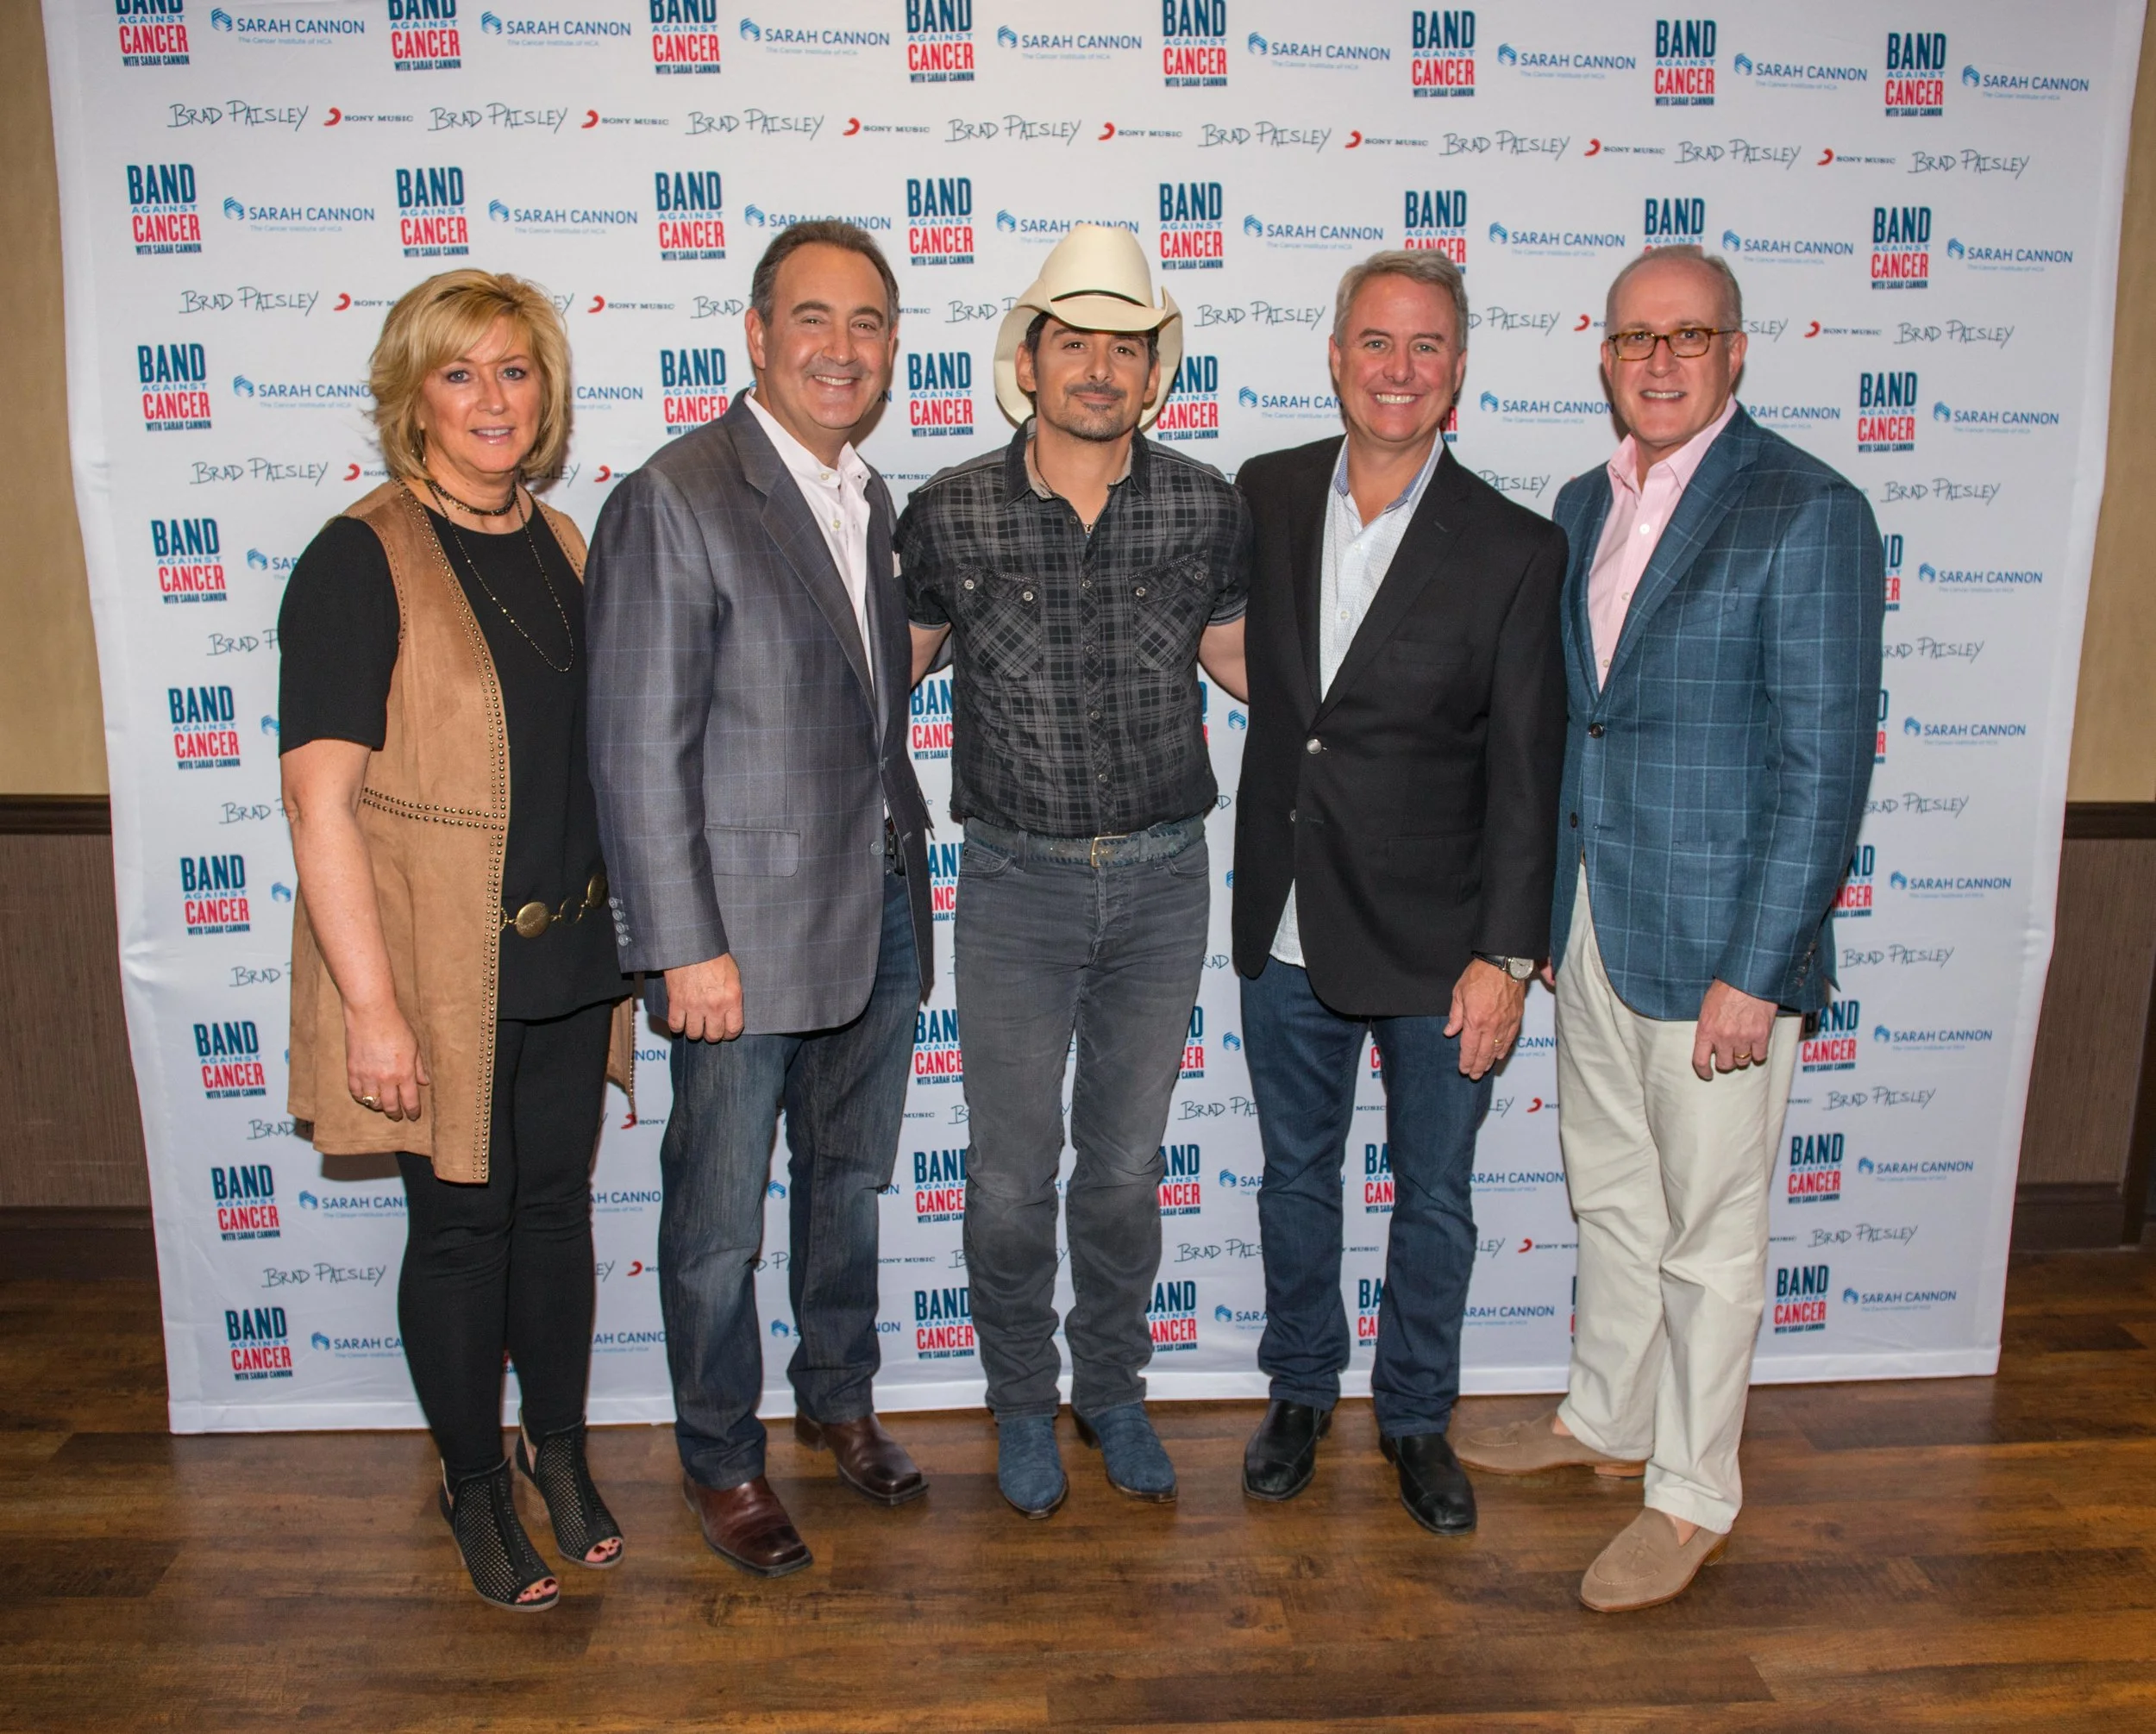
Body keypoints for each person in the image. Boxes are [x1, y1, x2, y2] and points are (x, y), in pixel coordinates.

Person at [1453, 246, 1883, 1612]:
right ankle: (1608, 1413)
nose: (1659, 360)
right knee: (1614, 1193)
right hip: (1590, 924)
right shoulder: (1584, 502)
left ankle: (1693, 1489)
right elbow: (1573, 723)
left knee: (1713, 1231)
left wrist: (1760, 969)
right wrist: (1537, 918)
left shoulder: (1809, 508)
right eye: (1637, 337)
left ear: (1736, 351)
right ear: (1605, 355)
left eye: (1688, 336)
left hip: (1718, 953)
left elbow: (1824, 767)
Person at [584, 222, 936, 1579]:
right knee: (718, 1220)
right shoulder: (677, 495)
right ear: (755, 333)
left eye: (868, 322)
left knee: (848, 1186)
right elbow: (638, 748)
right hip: (738, 934)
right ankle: (721, 1457)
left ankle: (838, 1400)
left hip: (877, 906)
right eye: (813, 317)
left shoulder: (871, 496)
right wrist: (683, 945)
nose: (842, 348)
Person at [281, 270, 634, 1612]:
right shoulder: (357, 556)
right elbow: (319, 803)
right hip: (437, 969)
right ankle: (473, 1482)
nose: (494, 399)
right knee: (461, 1230)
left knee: (552, 1217)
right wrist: (372, 1009)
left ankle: (559, 1451)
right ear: (412, 397)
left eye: (516, 370)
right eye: (460, 372)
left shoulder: (565, 540)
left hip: (570, 955)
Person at [899, 224, 1251, 1518]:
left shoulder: (1208, 505)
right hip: (1014, 887)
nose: (1099, 367)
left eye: (1124, 346)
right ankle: (1016, 1401)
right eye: (1073, 342)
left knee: (1122, 1170)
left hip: (1165, 884)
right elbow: (883, 676)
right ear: (1028, 363)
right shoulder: (950, 509)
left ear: (1154, 372)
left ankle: (1111, 1389)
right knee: (1006, 1177)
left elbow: (1244, 664)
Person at [1228, 252, 1568, 1535]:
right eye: (1377, 342)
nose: (1399, 369)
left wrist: (1507, 954)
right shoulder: (1264, 493)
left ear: (1459, 371)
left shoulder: (1516, 547)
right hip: (1287, 921)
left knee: (1433, 1198)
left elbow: (1530, 770)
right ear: (1335, 356)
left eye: (1427, 347)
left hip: (1441, 946)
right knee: (1294, 1179)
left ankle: (1418, 1413)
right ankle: (1300, 1391)